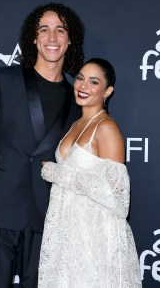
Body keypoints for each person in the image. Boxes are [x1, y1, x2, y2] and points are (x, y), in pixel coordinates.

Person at [0, 3, 84, 288]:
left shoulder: (77, 101)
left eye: (60, 30)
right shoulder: (3, 79)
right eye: (44, 30)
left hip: (47, 219)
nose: (52, 37)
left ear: (70, 39)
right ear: (34, 38)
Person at [39, 58, 142, 287]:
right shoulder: (75, 124)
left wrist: (58, 173)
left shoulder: (107, 128)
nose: (83, 86)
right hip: (66, 232)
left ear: (107, 91)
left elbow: (118, 198)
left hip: (96, 237)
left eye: (93, 82)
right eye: (81, 78)